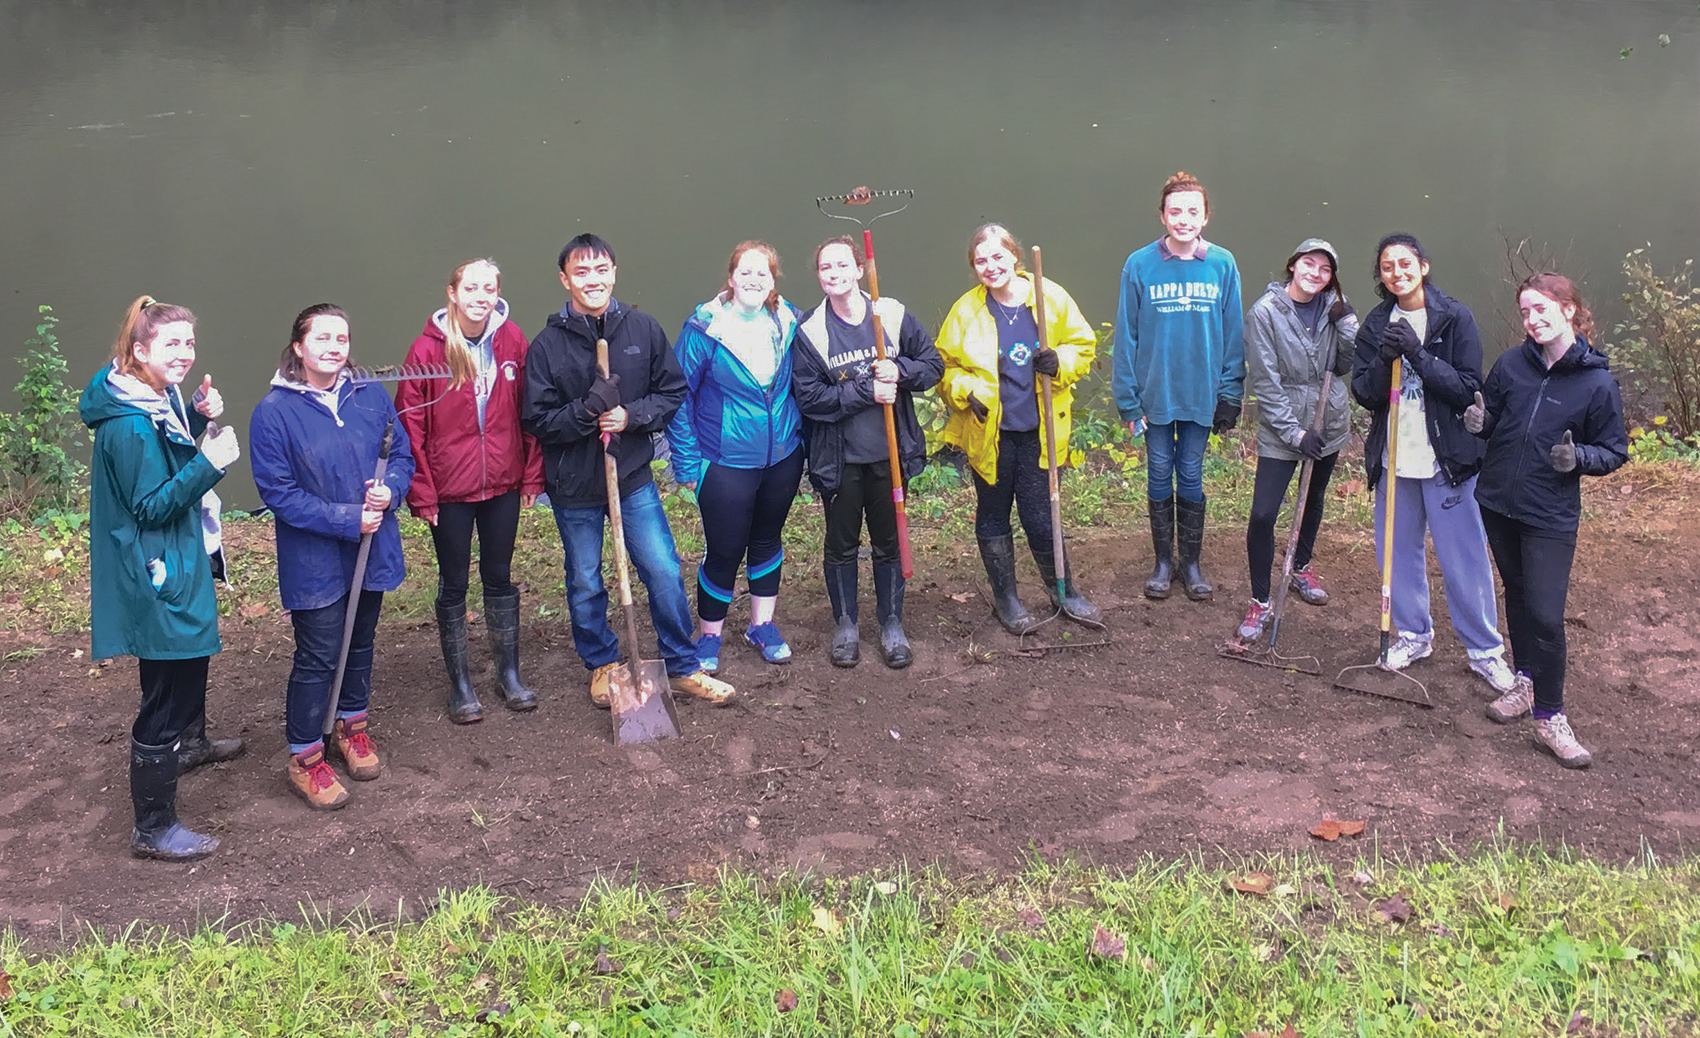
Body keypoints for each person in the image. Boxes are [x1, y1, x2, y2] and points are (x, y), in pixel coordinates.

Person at [522, 233, 735, 708]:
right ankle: (602, 664)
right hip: (574, 484)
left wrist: (629, 416)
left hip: (632, 476)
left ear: (614, 273)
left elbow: (671, 390)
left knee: (660, 567)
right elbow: (536, 420)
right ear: (565, 279)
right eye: (581, 272)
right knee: (584, 578)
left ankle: (681, 665)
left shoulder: (642, 330)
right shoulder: (547, 346)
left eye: (601, 270)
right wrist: (586, 411)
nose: (592, 280)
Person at [81, 296, 242, 860]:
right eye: (171, 344)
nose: (184, 354)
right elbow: (149, 504)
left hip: (174, 557)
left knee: (190, 656)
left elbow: (162, 453)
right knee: (165, 690)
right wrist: (211, 461)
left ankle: (191, 745)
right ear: (139, 350)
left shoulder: (154, 396)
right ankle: (152, 827)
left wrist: (194, 417)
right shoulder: (127, 425)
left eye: (189, 343)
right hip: (155, 569)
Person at [251, 304, 416, 810]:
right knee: (320, 653)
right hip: (315, 557)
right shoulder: (274, 412)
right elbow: (278, 492)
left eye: (341, 338)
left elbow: (402, 455)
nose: (334, 347)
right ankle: (304, 756)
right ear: (298, 347)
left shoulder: (370, 397)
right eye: (321, 338)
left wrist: (390, 490)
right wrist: (346, 518)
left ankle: (352, 725)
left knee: (361, 641)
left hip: (372, 545)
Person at [1465, 273, 1627, 768]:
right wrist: (1479, 423)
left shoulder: (1597, 382)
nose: (1533, 321)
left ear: (1569, 311)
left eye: (1542, 310)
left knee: (1546, 614)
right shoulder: (1512, 365)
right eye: (1526, 312)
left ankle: (1551, 718)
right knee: (1516, 593)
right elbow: (1492, 415)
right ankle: (1525, 681)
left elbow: (1614, 451)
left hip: (1549, 514)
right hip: (1496, 502)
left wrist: (1578, 459)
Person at [1348, 234, 1515, 692]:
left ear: (1423, 266)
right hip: (1395, 460)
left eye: (1405, 263)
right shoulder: (1376, 323)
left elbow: (1467, 390)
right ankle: (1413, 636)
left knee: (1463, 559)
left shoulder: (1453, 318)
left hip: (1449, 461)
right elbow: (1364, 393)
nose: (1397, 272)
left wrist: (1418, 355)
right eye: (1387, 266)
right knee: (1397, 556)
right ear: (1380, 275)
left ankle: (1485, 650)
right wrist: (1387, 358)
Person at [397, 259, 545, 724]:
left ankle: (509, 674)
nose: (481, 296)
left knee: (499, 576)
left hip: (502, 480)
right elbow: (410, 423)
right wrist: (421, 490)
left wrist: (532, 476)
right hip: (450, 488)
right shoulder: (426, 350)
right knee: (455, 581)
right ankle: (460, 685)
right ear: (453, 293)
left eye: (489, 288)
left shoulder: (512, 340)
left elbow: (531, 410)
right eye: (472, 288)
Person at [937, 223, 1101, 634]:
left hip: (1039, 431)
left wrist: (1059, 362)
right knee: (993, 515)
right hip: (990, 432)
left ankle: (1062, 589)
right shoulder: (966, 311)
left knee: (1042, 517)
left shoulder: (1050, 298)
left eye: (997, 257)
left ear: (1015, 256)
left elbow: (1083, 346)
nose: (990, 267)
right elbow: (945, 369)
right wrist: (965, 390)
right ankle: (1007, 600)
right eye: (981, 261)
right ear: (973, 267)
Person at [793, 235, 944, 668]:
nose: (834, 275)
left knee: (888, 543)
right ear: (819, 276)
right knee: (841, 544)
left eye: (843, 266)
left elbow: (932, 365)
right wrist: (865, 390)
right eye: (826, 268)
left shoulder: (890, 315)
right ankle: (846, 625)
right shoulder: (810, 331)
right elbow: (810, 398)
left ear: (860, 270)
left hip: (890, 455)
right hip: (840, 461)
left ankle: (892, 625)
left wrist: (899, 369)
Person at [667, 241, 806, 670]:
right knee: (725, 548)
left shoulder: (789, 321)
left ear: (772, 281)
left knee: (767, 540)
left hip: (782, 456)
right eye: (745, 272)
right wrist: (687, 463)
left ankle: (761, 626)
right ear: (730, 277)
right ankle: (709, 635)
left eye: (762, 273)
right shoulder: (703, 330)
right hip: (724, 461)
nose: (753, 279)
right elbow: (677, 397)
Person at [1112, 171, 1246, 602]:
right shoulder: (1139, 264)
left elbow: (1233, 332)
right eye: (1175, 211)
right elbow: (1126, 336)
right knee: (1157, 471)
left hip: (1201, 394)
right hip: (1156, 393)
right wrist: (1128, 400)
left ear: (1205, 216)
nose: (1183, 219)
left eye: (1193, 211)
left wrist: (1230, 392)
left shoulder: (1222, 264)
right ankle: (1162, 563)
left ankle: (1190, 563)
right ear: (1162, 216)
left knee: (1190, 472)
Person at [1235, 239, 1358, 643]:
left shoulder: (1332, 309)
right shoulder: (1265, 313)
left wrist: (1349, 323)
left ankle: (1300, 566)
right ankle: (1260, 599)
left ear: (1330, 279)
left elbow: (1345, 363)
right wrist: (1293, 433)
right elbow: (1266, 382)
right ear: (1293, 266)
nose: (1315, 274)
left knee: (1314, 498)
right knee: (1263, 515)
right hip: (1282, 426)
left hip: (1328, 420)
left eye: (1325, 270)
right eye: (1309, 264)